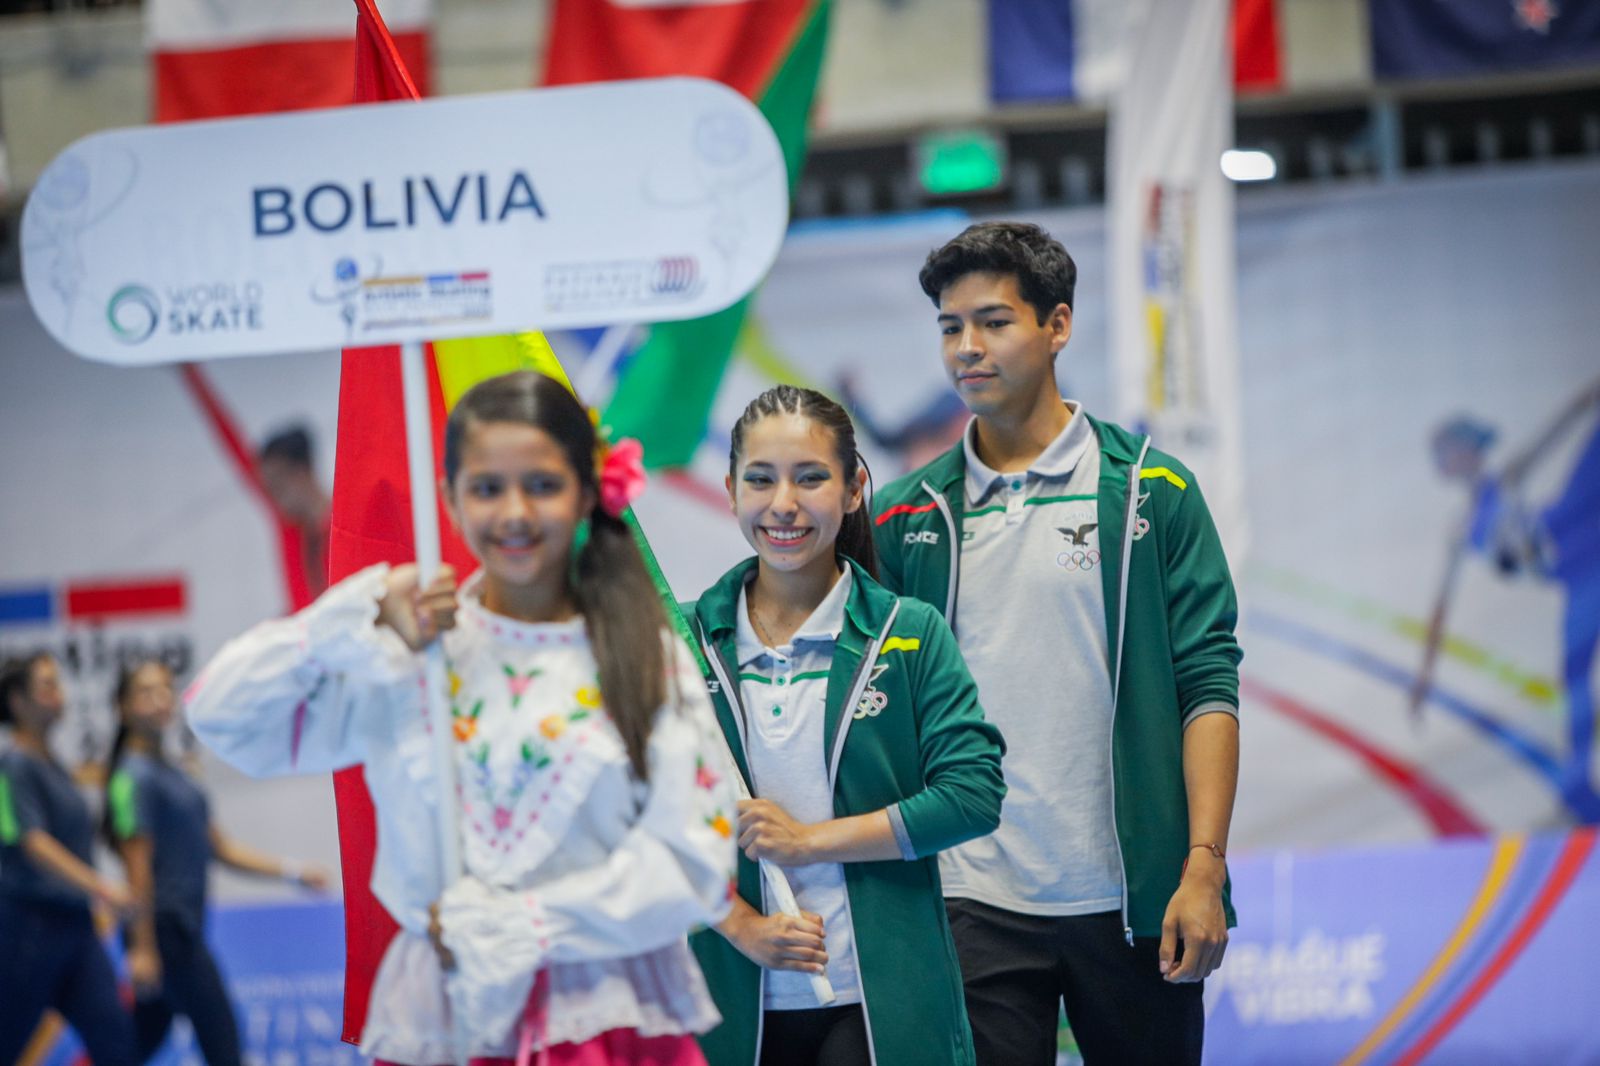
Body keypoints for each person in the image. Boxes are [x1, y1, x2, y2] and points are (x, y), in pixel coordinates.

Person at [186, 371, 737, 1065]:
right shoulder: (406, 660)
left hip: (606, 1024)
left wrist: (529, 926)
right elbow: (219, 714)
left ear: (588, 490)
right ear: (448, 498)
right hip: (445, 1027)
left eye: (541, 484)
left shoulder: (637, 652)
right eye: (486, 487)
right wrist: (351, 614)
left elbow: (697, 861)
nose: (514, 512)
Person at [871, 222, 1243, 1066]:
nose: (967, 347)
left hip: (1133, 891)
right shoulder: (901, 517)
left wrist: (1202, 869)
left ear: (1058, 325)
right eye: (949, 327)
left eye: (994, 321)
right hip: (969, 895)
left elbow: (1208, 691)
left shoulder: (1155, 492)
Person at [687, 385, 1006, 1066]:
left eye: (811, 478)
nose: (784, 505)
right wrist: (740, 927)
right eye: (761, 479)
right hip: (728, 998)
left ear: (856, 487)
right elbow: (641, 820)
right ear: (730, 488)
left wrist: (809, 842)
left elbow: (972, 796)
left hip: (876, 998)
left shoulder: (909, 632)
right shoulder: (682, 642)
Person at [104, 657, 330, 1065]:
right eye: (144, 692)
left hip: (182, 928)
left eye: (164, 690)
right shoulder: (131, 778)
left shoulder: (175, 773)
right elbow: (135, 868)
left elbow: (220, 849)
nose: (158, 701)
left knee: (136, 1044)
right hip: (165, 933)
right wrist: (142, 947)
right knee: (222, 1043)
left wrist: (293, 871)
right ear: (122, 706)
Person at [1415, 378, 1600, 821]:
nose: (1453, 461)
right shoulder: (1461, 528)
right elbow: (1441, 608)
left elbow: (1545, 442)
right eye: (1445, 455)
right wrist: (1423, 678)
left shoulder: (1507, 479)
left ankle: (1577, 783)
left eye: (1455, 450)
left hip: (1574, 529)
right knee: (1573, 678)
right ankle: (1580, 788)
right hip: (1575, 571)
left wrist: (1578, 405)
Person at [0, 652, 139, 1066]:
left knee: (116, 1045)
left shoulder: (54, 766)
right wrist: (102, 886)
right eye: (46, 686)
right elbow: (33, 842)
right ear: (18, 702)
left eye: (58, 684)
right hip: (26, 932)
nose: (58, 695)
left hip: (76, 932)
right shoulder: (12, 767)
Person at [257, 424, 332, 601]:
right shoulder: (301, 539)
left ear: (301, 472)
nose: (275, 499)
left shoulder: (345, 530)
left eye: (278, 487)